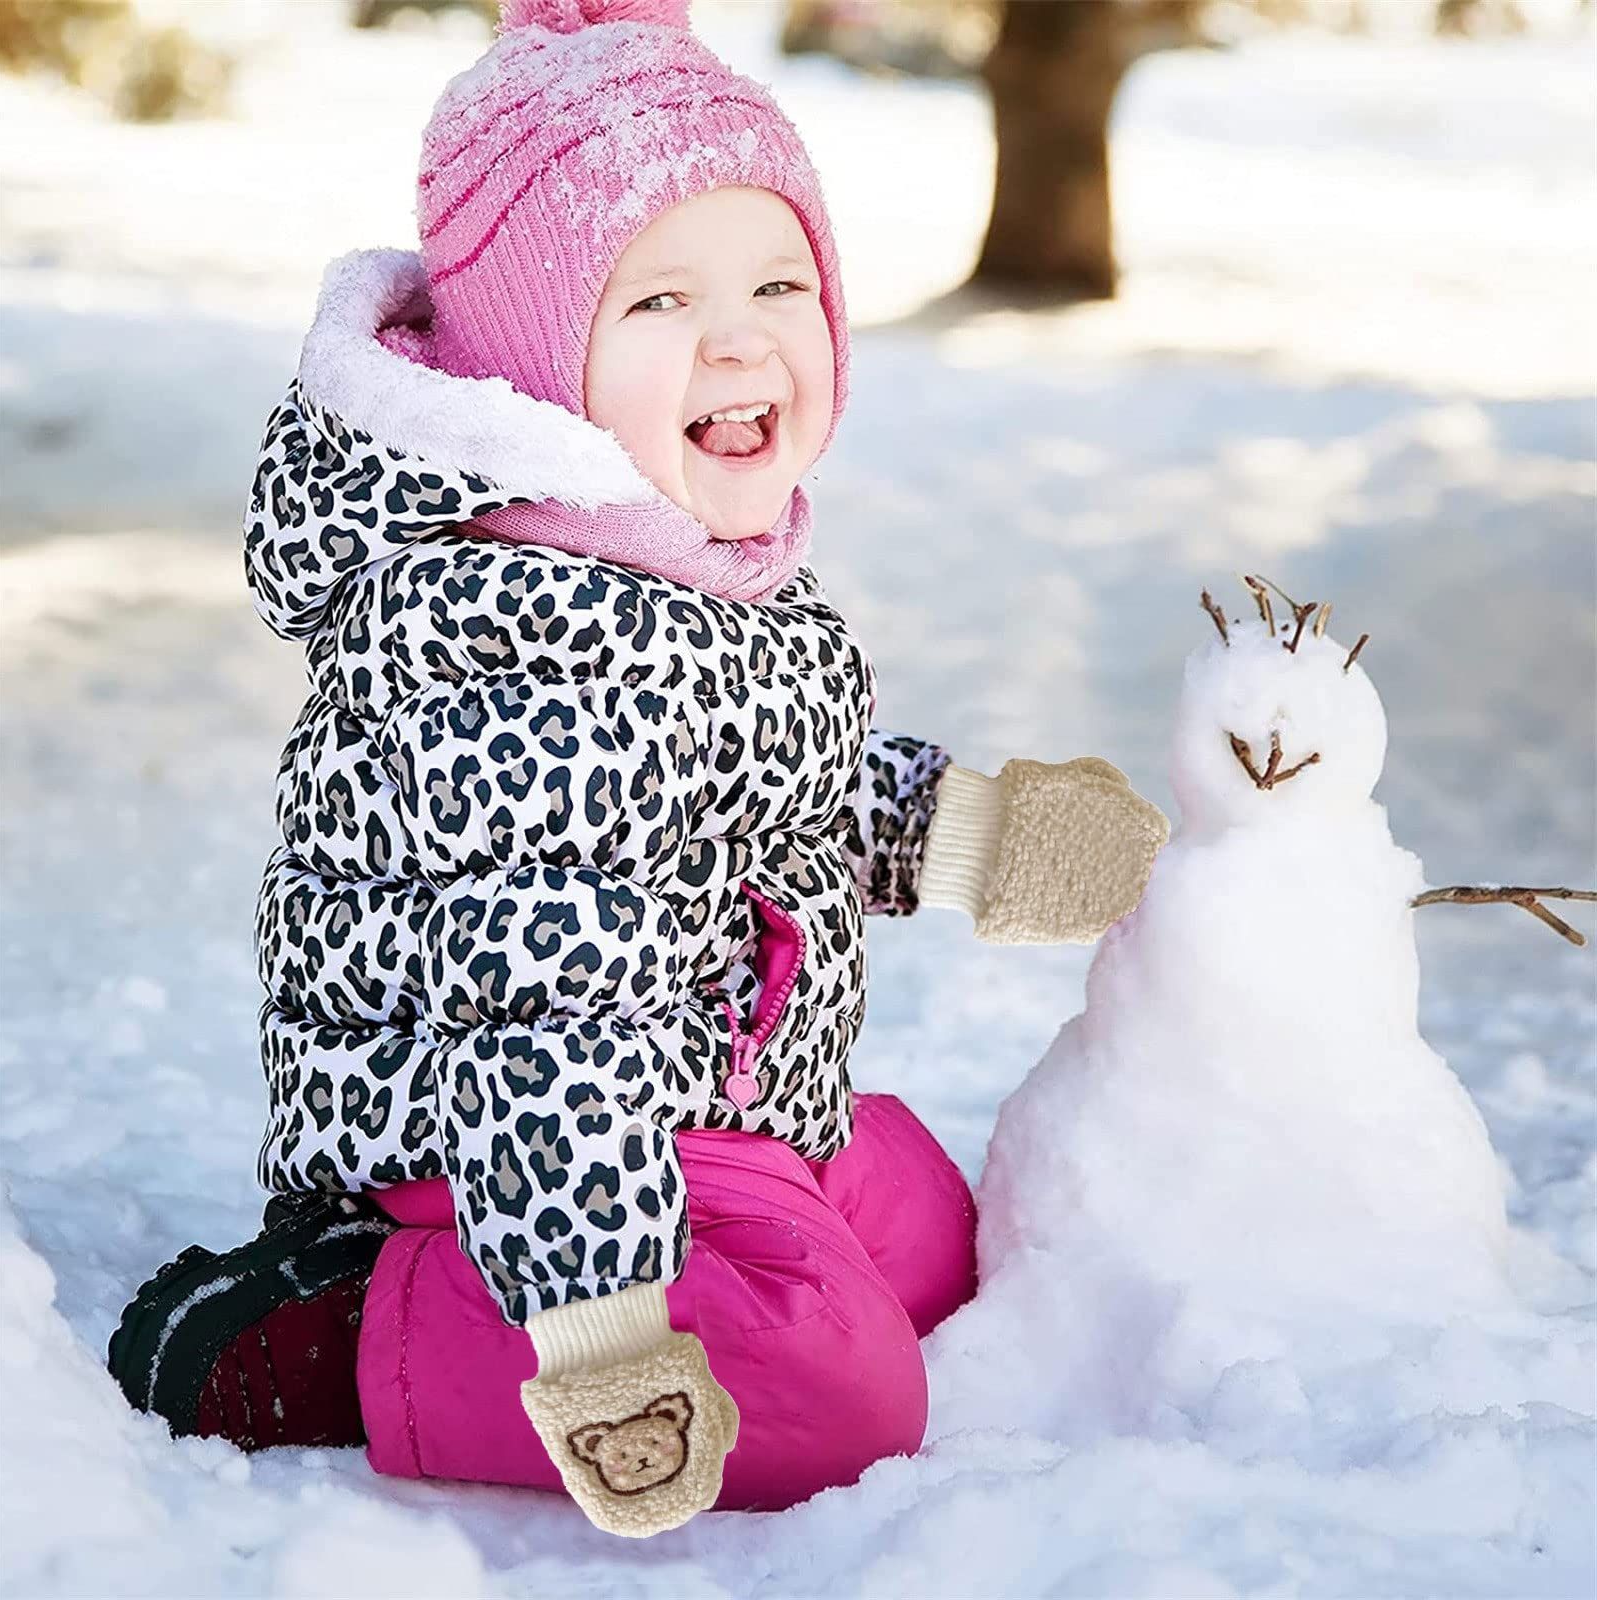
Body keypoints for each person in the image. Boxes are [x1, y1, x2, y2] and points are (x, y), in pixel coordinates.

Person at [108, 0, 1168, 1539]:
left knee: (931, 1226)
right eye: (657, 300)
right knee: (836, 1393)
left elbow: (765, 781)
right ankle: (346, 1327)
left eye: (778, 281)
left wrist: (973, 837)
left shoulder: (677, 554)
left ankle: (654, 1260)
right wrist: (604, 1340)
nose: (739, 335)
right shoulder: (515, 654)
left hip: (692, 1086)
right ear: (537, 371)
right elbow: (548, 1028)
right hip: (496, 1136)